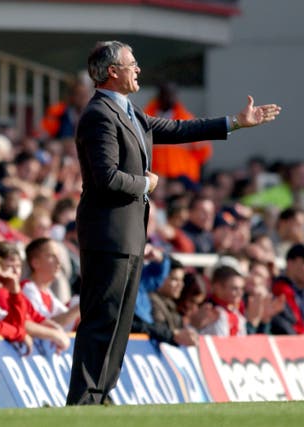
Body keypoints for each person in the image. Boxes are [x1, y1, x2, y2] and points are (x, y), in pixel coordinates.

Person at [67, 40, 281, 406]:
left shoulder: (129, 111)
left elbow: (178, 130)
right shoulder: (99, 114)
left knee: (118, 321)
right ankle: (84, 399)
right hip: (108, 234)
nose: (138, 69)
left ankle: (101, 395)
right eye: (131, 64)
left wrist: (236, 123)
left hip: (129, 234)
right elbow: (105, 178)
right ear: (112, 72)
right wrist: (145, 184)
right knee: (101, 319)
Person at [143, 81, 213, 183]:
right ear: (159, 95)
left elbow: (204, 151)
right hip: (155, 178)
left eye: (172, 94)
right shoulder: (145, 119)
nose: (169, 97)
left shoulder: (187, 119)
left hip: (183, 178)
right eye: (166, 94)